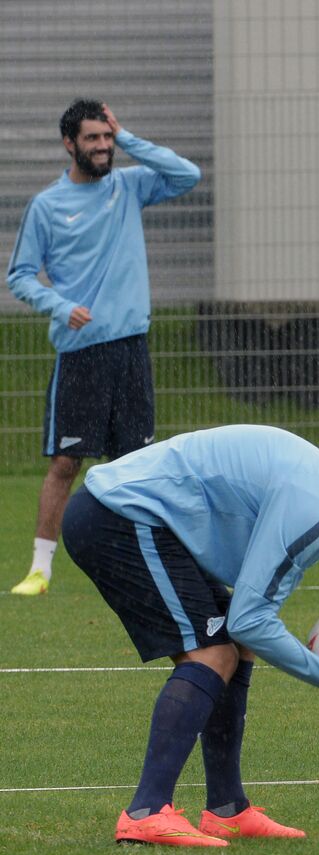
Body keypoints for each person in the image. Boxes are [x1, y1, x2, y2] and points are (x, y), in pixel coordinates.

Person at [61, 425, 319, 846]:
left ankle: (227, 809)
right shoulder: (314, 504)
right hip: (119, 514)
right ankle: (146, 812)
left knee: (237, 649)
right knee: (211, 656)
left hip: (141, 519)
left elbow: (251, 622)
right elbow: (250, 618)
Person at [7, 99, 201, 597]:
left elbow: (187, 174)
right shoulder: (48, 206)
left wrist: (129, 135)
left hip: (131, 349)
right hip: (81, 353)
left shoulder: (129, 186)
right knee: (66, 462)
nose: (102, 147)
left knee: (137, 463)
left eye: (107, 138)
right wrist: (58, 304)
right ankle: (40, 569)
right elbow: (21, 276)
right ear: (69, 144)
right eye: (92, 138)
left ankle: (140, 557)